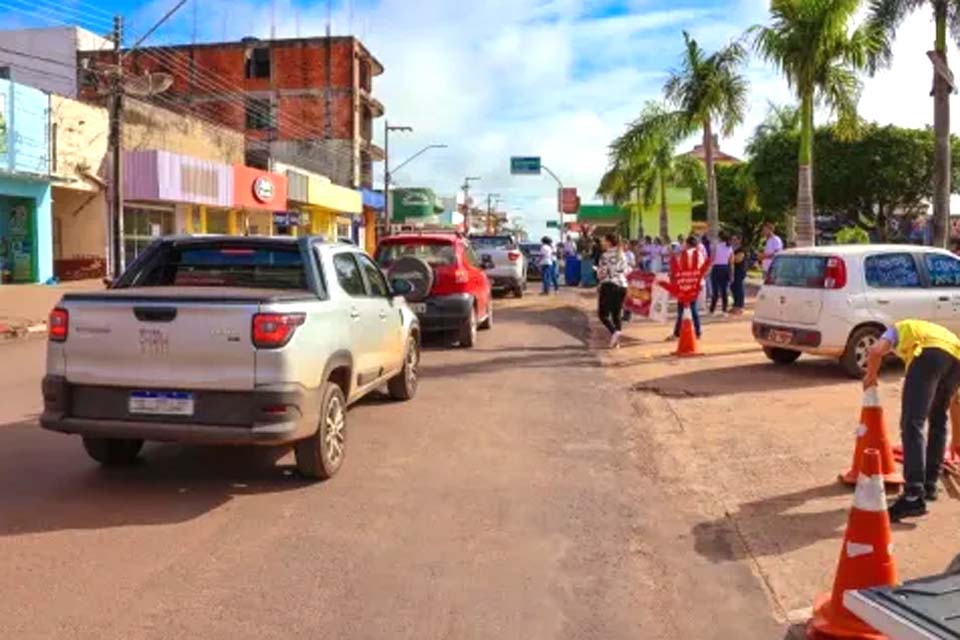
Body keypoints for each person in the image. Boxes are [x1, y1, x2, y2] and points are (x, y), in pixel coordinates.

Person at [863, 320, 960, 522]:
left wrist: (871, 376)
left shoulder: (896, 329)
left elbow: (875, 351)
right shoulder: (933, 330)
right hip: (956, 359)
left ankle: (913, 495)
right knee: (938, 418)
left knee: (912, 422)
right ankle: (929, 485)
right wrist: (956, 440)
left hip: (928, 355)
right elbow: (955, 403)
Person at [666, 235, 711, 341]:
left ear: (687, 244)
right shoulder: (699, 254)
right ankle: (696, 332)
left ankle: (680, 333)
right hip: (695, 284)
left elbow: (680, 269)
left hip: (685, 284)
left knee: (683, 309)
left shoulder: (686, 254)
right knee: (691, 308)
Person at [596, 233, 630, 348]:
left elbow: (602, 273)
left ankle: (615, 332)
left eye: (603, 240)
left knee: (602, 314)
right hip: (622, 286)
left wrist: (598, 273)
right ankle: (617, 341)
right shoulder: (623, 254)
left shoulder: (605, 255)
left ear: (609, 242)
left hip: (609, 285)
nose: (602, 242)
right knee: (616, 314)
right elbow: (627, 271)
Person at [709, 231, 733, 316]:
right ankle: (724, 310)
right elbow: (731, 262)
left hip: (716, 268)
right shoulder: (729, 247)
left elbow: (712, 258)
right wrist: (731, 274)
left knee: (715, 291)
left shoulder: (715, 246)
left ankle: (712, 310)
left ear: (719, 238)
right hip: (725, 269)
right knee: (724, 291)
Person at [730, 234, 747, 315]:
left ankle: (740, 306)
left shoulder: (741, 250)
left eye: (735, 239)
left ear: (739, 240)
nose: (733, 241)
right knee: (733, 288)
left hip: (739, 271)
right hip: (733, 271)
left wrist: (730, 257)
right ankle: (735, 305)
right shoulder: (732, 249)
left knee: (739, 288)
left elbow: (738, 259)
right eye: (732, 239)